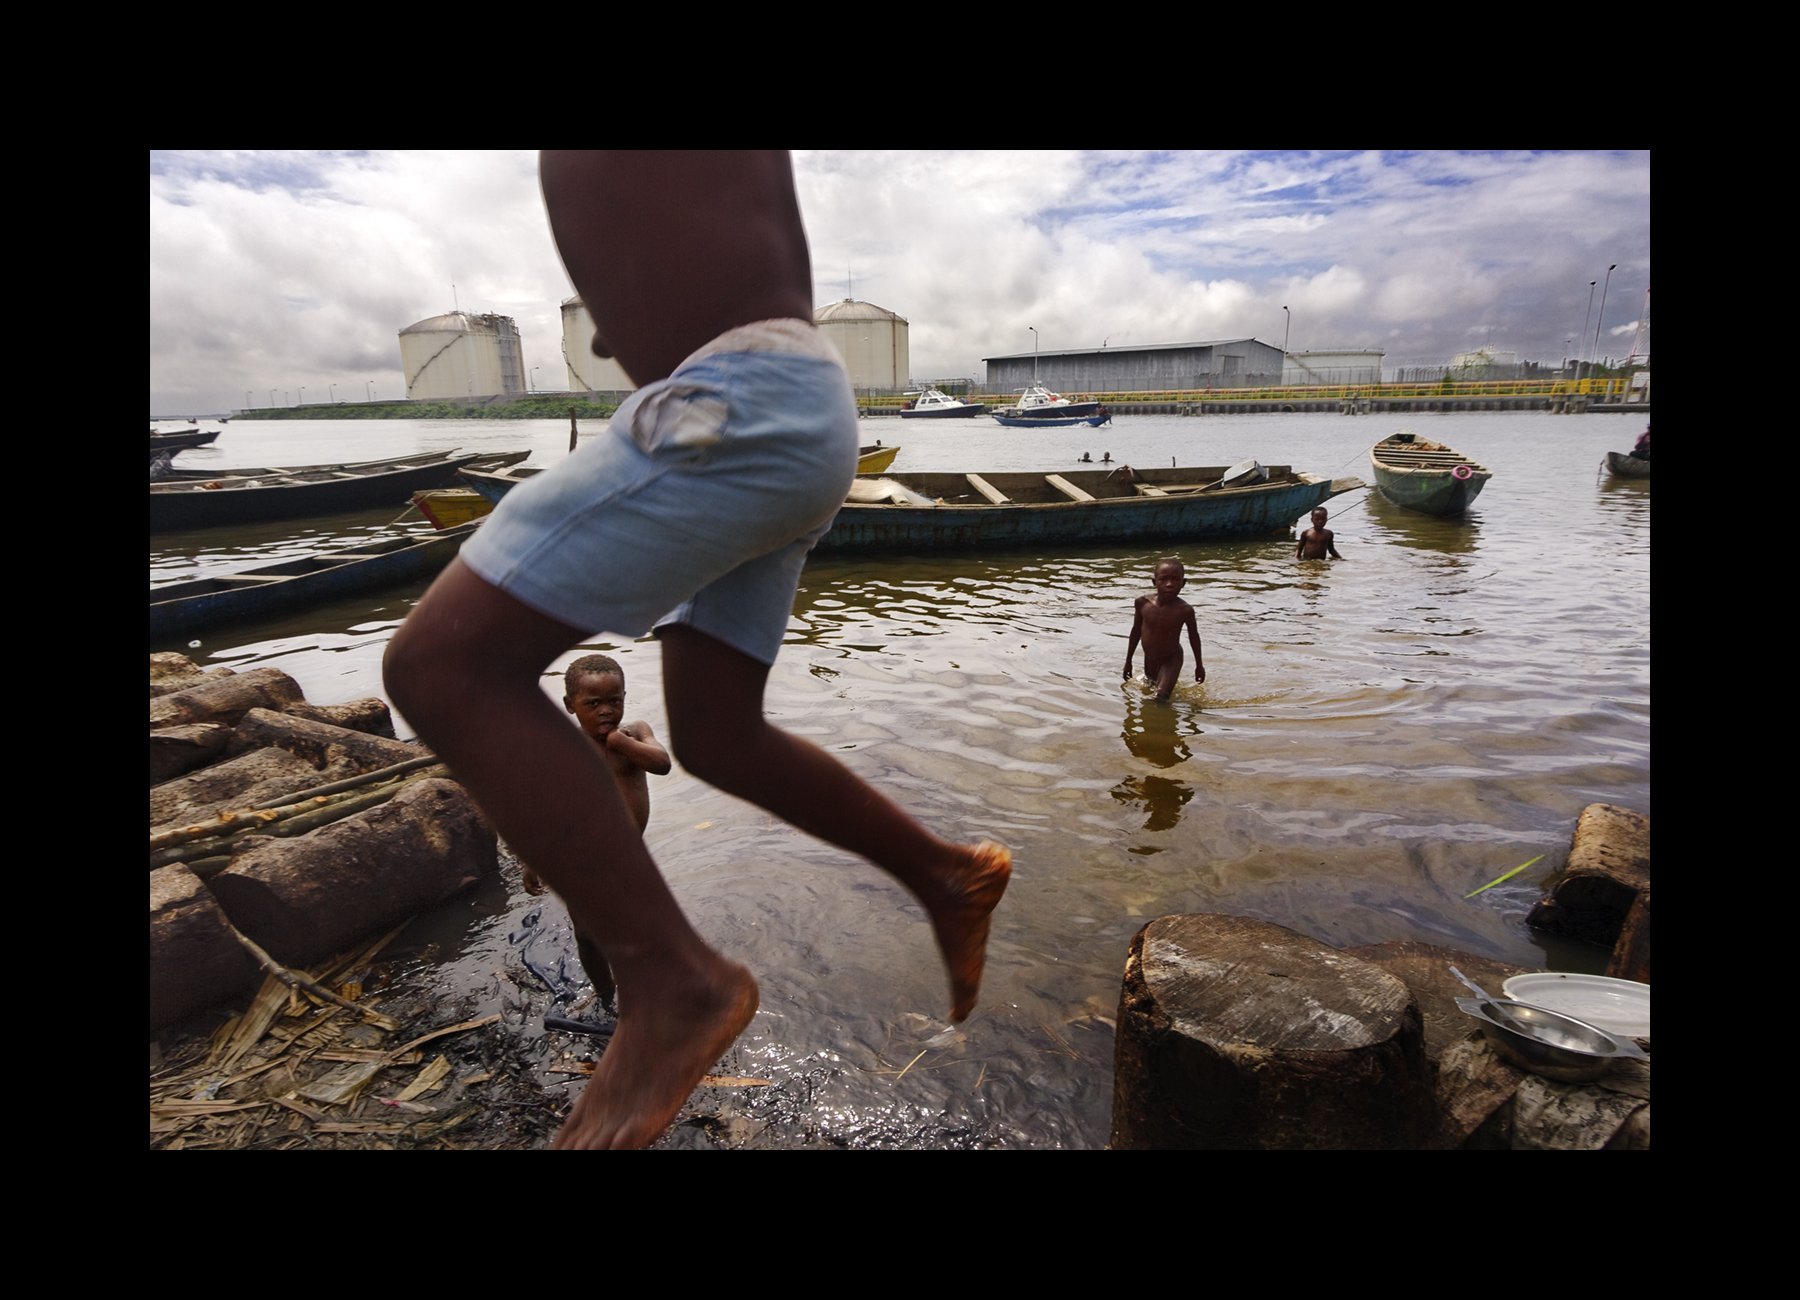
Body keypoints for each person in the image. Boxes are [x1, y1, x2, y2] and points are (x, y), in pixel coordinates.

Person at [382, 151, 1010, 1151]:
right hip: (786, 406)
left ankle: (673, 982)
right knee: (717, 732)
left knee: (442, 667)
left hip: (735, 409)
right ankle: (944, 874)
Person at [520, 654, 670, 1011]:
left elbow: (661, 764)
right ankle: (606, 998)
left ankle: (644, 992)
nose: (606, 711)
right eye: (593, 704)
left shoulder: (635, 734)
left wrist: (621, 744)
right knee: (587, 935)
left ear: (624, 698)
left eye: (613, 701)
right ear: (571, 706)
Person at [1123, 557, 1205, 702]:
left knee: (1160, 696)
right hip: (1149, 657)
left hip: (1171, 658)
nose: (1169, 584)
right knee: (1149, 688)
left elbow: (1194, 637)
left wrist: (1199, 665)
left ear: (1183, 583)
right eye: (1163, 579)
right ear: (1154, 582)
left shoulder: (1185, 610)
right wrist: (1128, 661)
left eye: (1175, 580)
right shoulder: (1142, 603)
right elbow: (1136, 631)